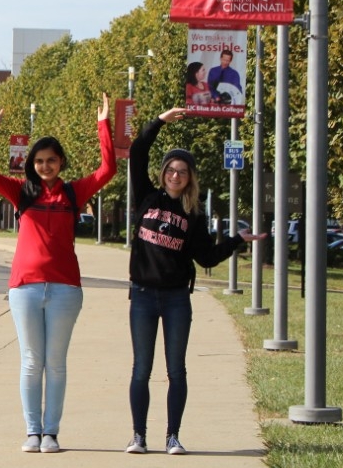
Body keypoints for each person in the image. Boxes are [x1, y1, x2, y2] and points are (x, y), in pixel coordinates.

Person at [0, 92, 116, 454]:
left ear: (61, 162)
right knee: (31, 361)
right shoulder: (21, 191)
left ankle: (52, 432)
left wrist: (104, 125)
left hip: (65, 290)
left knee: (55, 364)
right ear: (31, 164)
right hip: (24, 288)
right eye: (39, 161)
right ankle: (32, 432)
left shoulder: (73, 193)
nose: (45, 166)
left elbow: (107, 171)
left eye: (51, 160)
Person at [124, 108, 266, 456]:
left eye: (182, 172)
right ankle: (138, 436)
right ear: (163, 174)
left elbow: (206, 258)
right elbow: (137, 151)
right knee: (141, 369)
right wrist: (160, 121)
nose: (175, 175)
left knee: (176, 370)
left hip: (175, 299)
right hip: (142, 295)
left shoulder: (195, 213)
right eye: (171, 170)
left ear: (190, 178)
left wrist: (236, 241)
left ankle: (173, 436)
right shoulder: (146, 196)